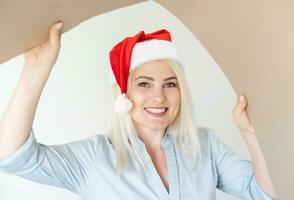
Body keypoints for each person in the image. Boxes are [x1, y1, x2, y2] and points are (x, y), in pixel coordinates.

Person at [0, 21, 278, 200]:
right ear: (124, 93)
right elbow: (12, 156)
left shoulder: (205, 146)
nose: (159, 96)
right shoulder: (93, 157)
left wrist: (251, 135)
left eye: (170, 84)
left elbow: (265, 193)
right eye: (144, 84)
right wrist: (36, 71)